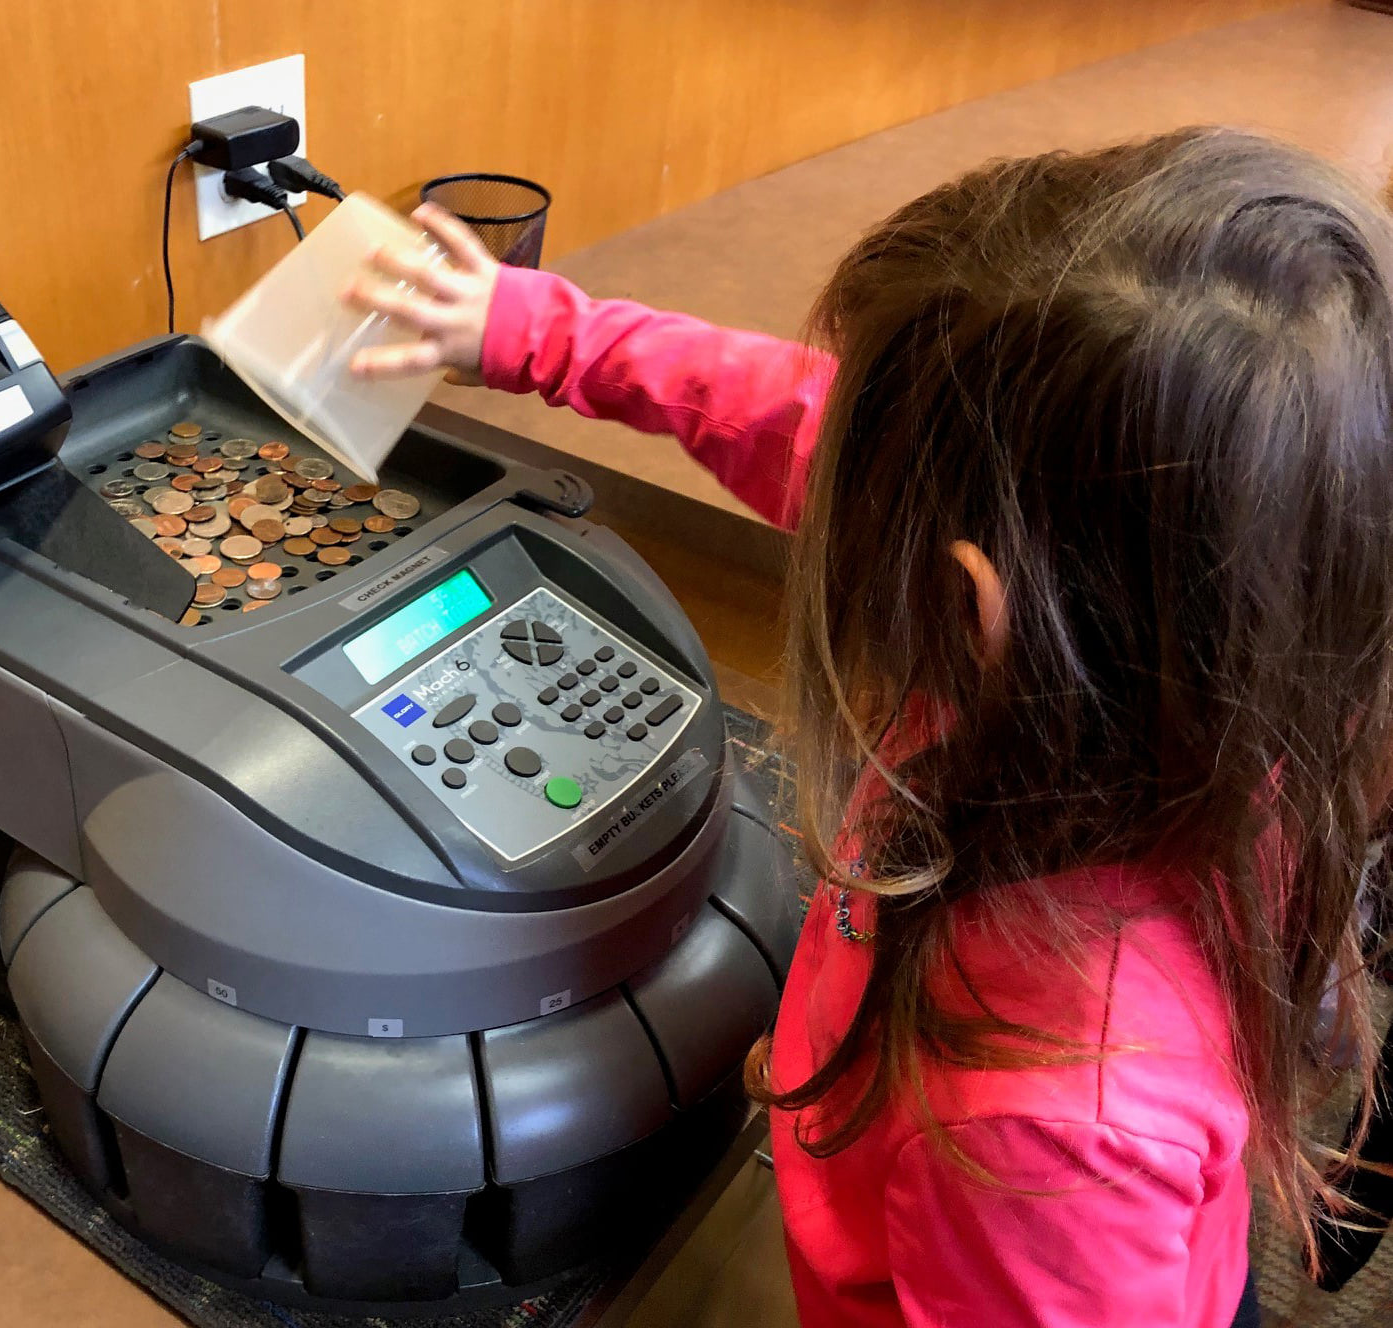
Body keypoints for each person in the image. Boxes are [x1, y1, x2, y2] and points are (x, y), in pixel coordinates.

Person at [345, 128, 1393, 1326]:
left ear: (972, 606)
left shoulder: (1049, 1129)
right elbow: (797, 417)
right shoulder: (1217, 638)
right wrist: (541, 333)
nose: (836, 470)